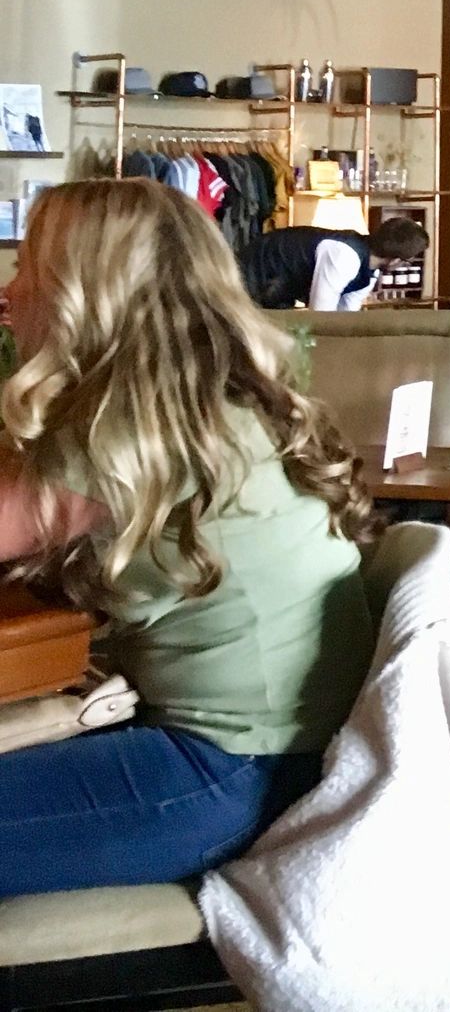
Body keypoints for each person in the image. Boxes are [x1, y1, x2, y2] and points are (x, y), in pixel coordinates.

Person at [0, 179, 378, 897]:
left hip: (220, 776)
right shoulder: (207, 400)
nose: (10, 292)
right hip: (269, 754)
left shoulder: (129, 432)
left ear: (88, 294)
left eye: (27, 270)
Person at [241, 216, 429, 312]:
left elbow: (343, 318)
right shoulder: (344, 257)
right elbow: (321, 316)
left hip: (280, 287)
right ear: (396, 259)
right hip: (255, 269)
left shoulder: (370, 274)